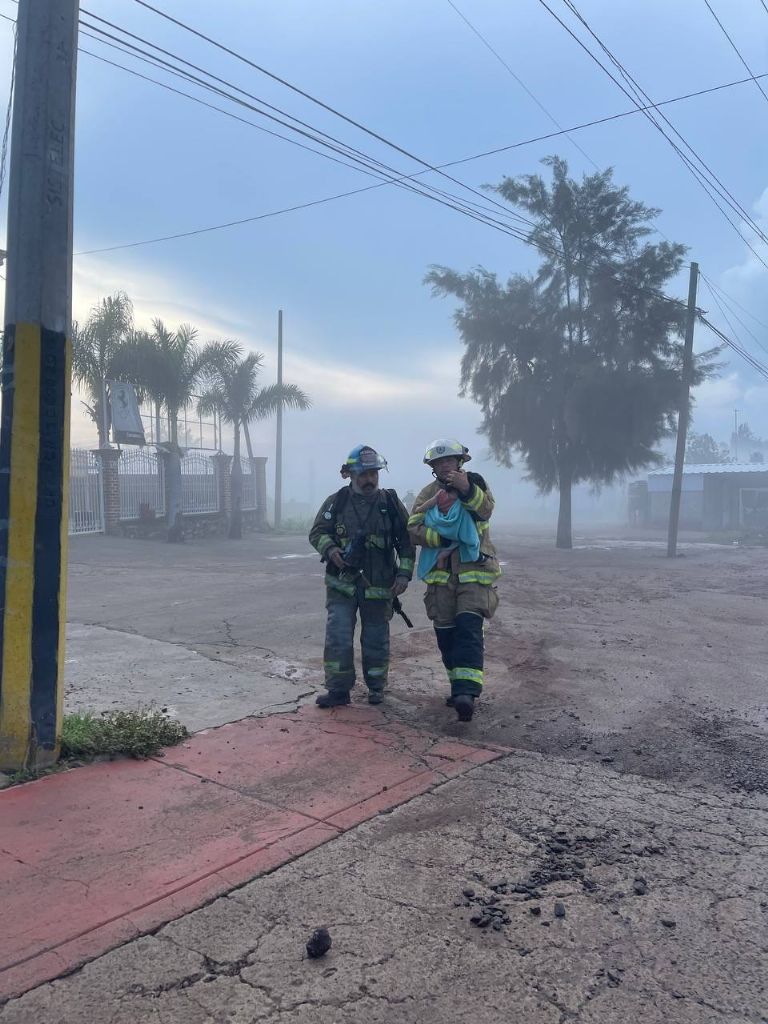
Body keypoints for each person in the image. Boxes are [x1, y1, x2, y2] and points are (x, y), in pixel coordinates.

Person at [309, 445, 415, 708]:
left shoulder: (389, 503)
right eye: (364, 474)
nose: (369, 480)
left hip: (379, 587)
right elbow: (317, 532)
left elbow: (407, 541)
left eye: (373, 474)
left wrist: (404, 574)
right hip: (341, 585)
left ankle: (376, 688)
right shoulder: (337, 502)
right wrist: (331, 549)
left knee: (376, 640)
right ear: (350, 474)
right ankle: (338, 690)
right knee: (338, 638)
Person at [408, 439, 500, 722]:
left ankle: (466, 693)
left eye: (449, 460)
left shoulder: (476, 483)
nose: (444, 465)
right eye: (439, 462)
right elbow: (413, 527)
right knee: (446, 636)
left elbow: (485, 512)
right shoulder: (428, 493)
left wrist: (466, 489)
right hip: (441, 579)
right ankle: (457, 685)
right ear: (433, 468)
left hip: (474, 571)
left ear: (460, 462)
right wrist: (441, 538)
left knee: (469, 629)